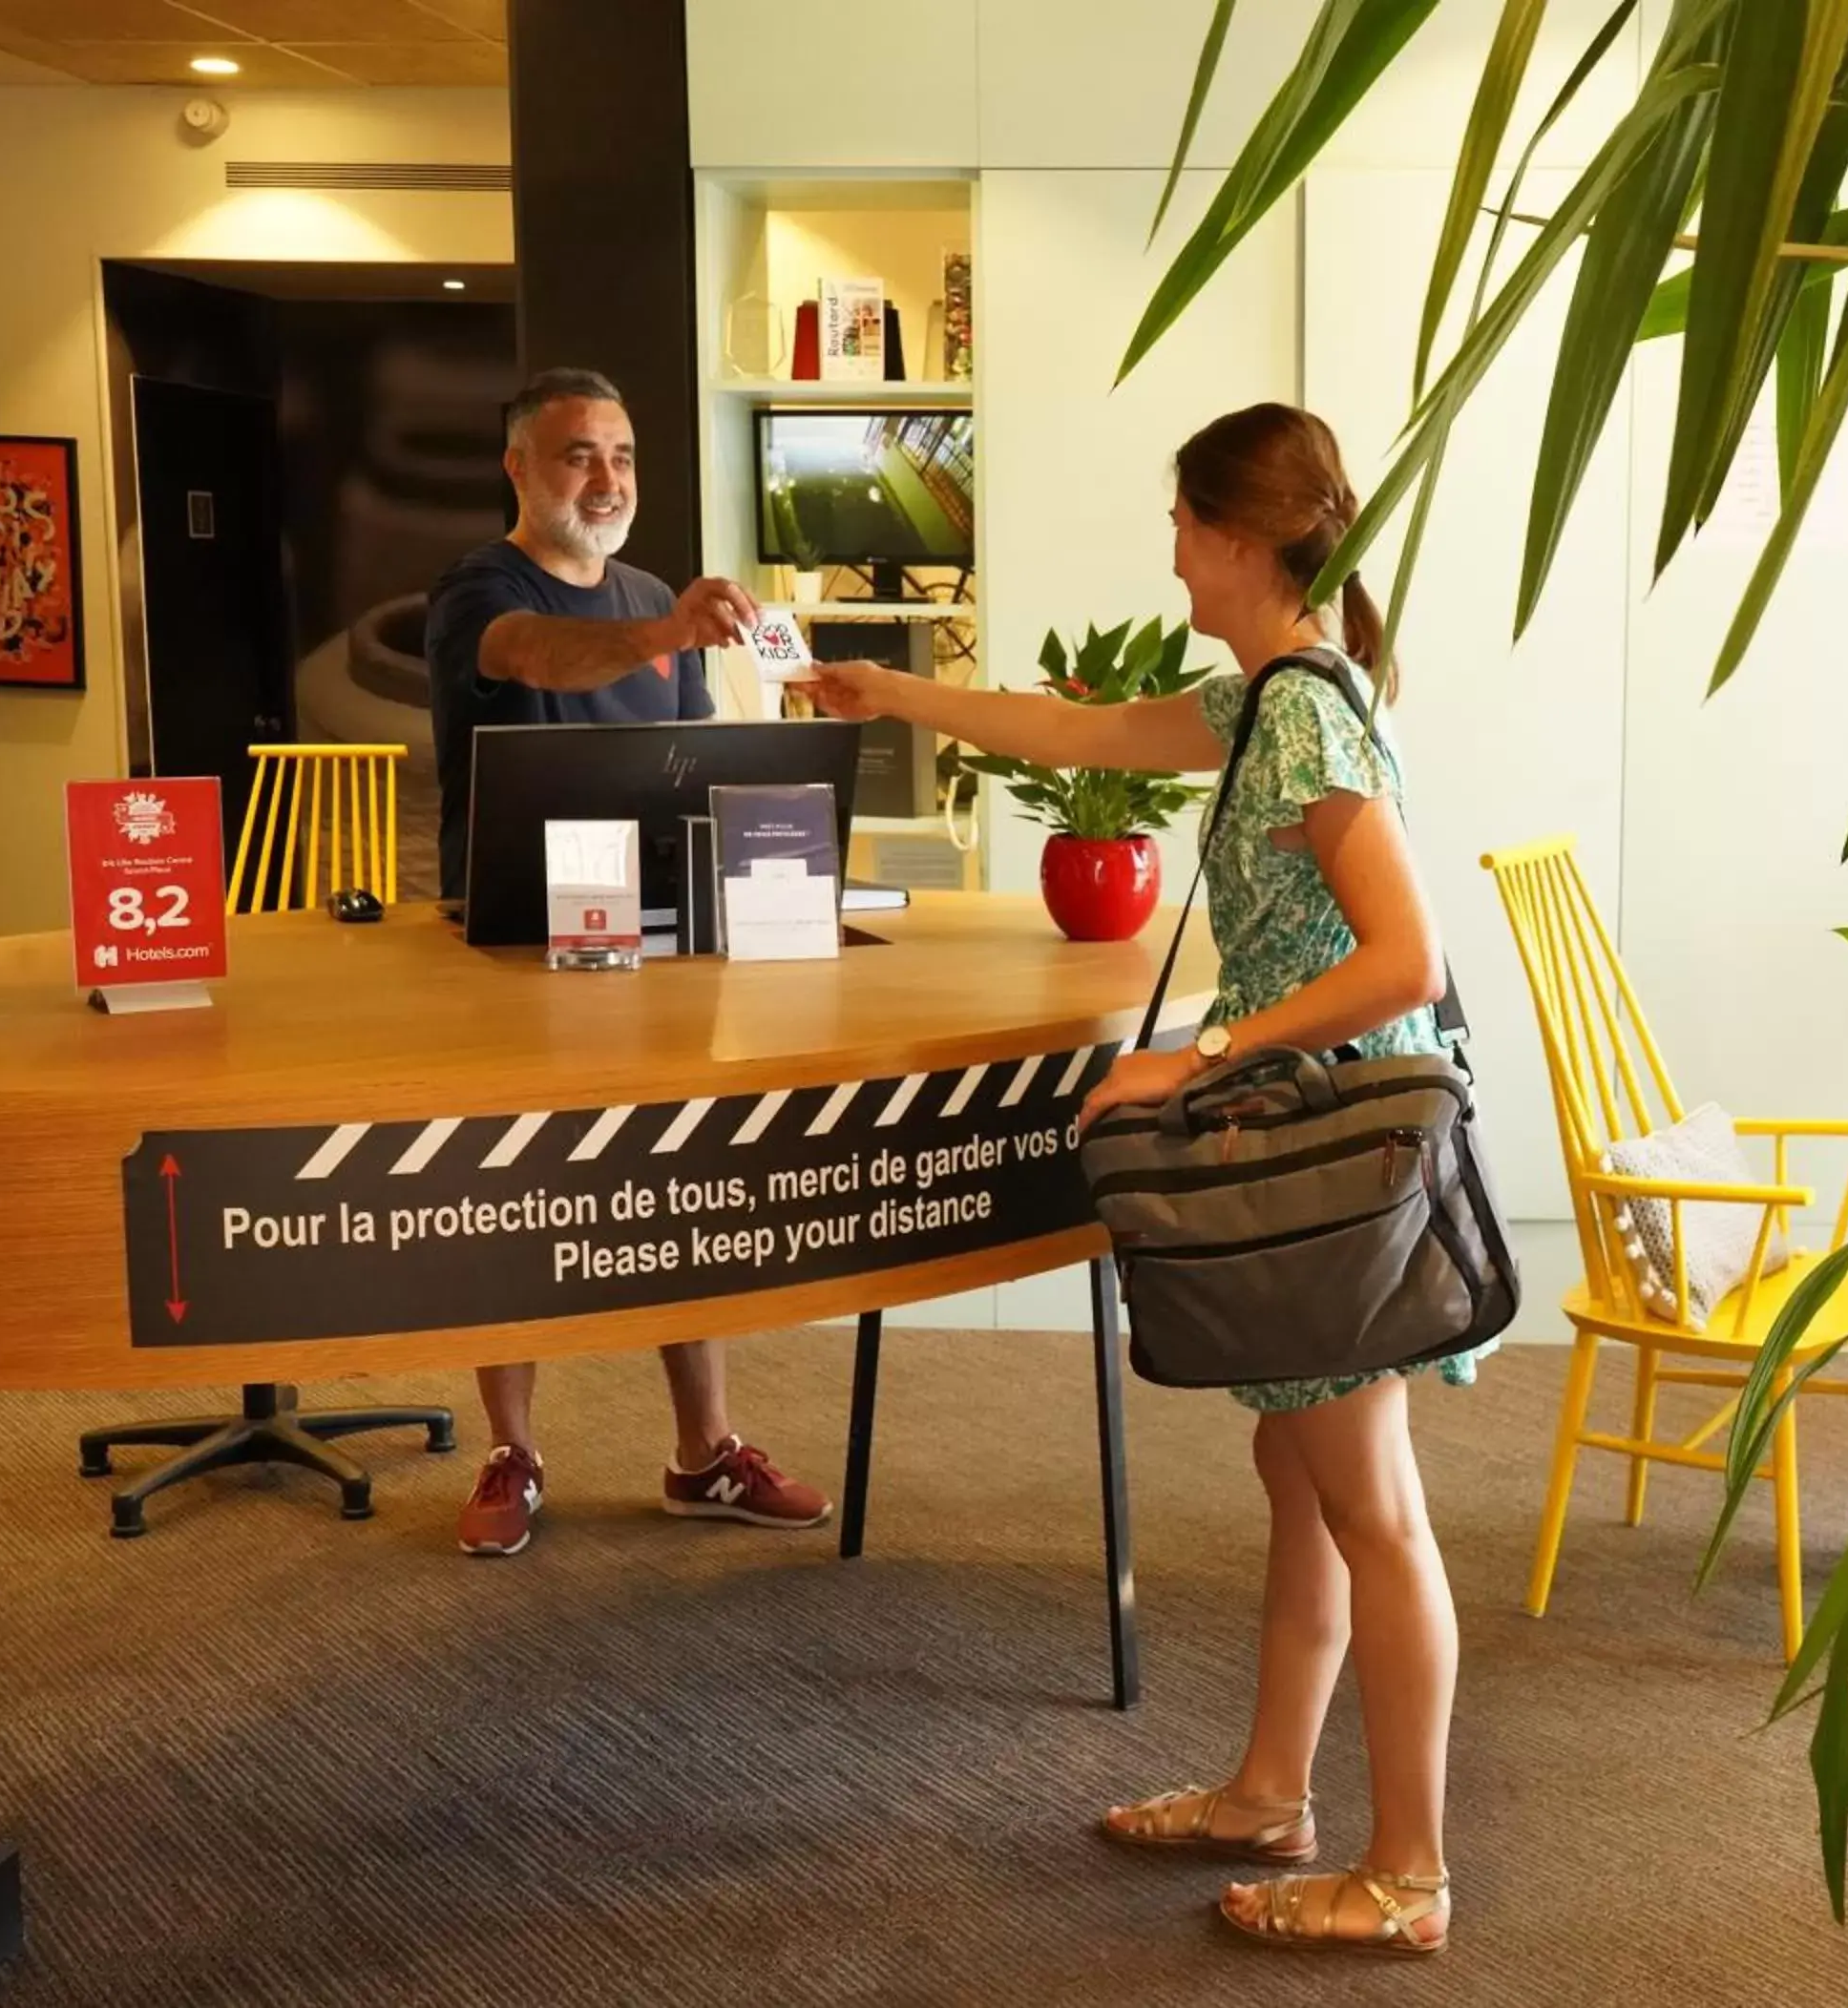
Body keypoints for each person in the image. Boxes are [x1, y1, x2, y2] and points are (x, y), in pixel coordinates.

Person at [801, 402, 1477, 1957]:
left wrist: (1208, 1044)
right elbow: (1084, 734)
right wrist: (886, 684)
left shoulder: (1299, 710)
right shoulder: (1268, 695)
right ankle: (1270, 1788)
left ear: (1241, 537)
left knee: (1372, 1505)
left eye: (1184, 521)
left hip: (1325, 1149)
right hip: (1307, 1149)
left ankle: (1411, 1869)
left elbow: (1403, 955)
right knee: (1302, 1482)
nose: (1167, 545)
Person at [424, 366, 835, 1558]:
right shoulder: (479, 589)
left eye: (623, 455)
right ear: (518, 466)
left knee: (685, 1181)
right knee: (511, 1196)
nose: (607, 479)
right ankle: (513, 1450)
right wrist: (659, 633)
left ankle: (704, 1453)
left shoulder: (657, 594)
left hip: (650, 937)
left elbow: (693, 755)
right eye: (576, 456)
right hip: (512, 945)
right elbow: (543, 658)